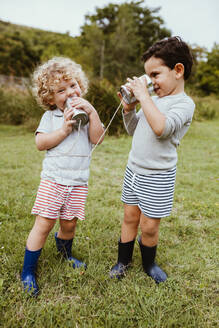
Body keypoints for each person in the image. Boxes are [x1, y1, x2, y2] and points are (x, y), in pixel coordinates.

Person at [110, 36, 195, 283]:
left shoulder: (184, 104)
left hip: (158, 176)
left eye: (155, 75)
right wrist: (128, 109)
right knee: (129, 217)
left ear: (178, 70)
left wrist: (144, 98)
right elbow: (134, 128)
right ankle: (122, 261)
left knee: (148, 226)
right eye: (147, 76)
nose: (151, 82)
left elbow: (162, 128)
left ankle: (149, 263)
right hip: (134, 169)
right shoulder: (153, 100)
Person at [21, 57, 104, 295]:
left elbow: (97, 138)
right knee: (44, 223)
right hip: (54, 181)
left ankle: (65, 254)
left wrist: (92, 111)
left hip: (77, 183)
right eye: (61, 90)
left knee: (69, 223)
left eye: (73, 85)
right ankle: (28, 270)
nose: (70, 92)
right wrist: (64, 129)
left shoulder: (86, 116)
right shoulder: (52, 118)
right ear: (50, 98)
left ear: (81, 86)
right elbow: (40, 143)